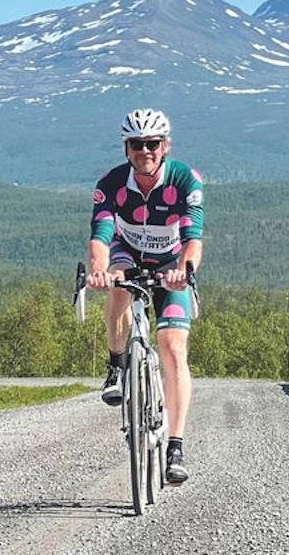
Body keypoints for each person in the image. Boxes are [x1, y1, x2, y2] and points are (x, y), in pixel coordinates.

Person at [87, 107, 204, 485]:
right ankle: (116, 365)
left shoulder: (185, 180)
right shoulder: (112, 183)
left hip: (170, 261)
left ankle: (175, 445)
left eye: (152, 143)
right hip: (127, 253)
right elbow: (101, 237)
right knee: (118, 282)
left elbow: (192, 241)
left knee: (172, 347)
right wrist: (99, 270)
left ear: (165, 146)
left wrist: (183, 272)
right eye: (137, 144)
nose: (145, 151)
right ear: (127, 148)